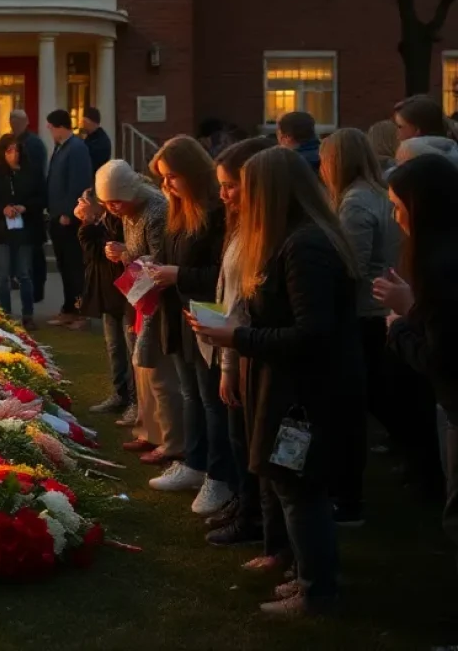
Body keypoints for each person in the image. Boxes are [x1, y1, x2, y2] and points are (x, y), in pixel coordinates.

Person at [191, 146, 359, 617]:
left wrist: (236, 335)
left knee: (298, 486)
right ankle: (306, 573)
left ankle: (317, 590)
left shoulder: (304, 245)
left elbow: (312, 332)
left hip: (304, 391)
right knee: (291, 483)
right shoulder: (292, 238)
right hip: (286, 383)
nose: (237, 200)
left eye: (248, 190)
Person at [374, 155, 458, 576]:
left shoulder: (443, 267)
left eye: (398, 205)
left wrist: (401, 322)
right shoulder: (440, 259)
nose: (395, 216)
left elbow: (438, 357)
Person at [144, 136, 231, 517]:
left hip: (206, 314)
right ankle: (195, 463)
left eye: (172, 177)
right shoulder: (178, 212)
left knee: (212, 399)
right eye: (162, 179)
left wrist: (178, 274)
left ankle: (219, 473)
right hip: (178, 314)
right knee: (191, 394)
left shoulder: (215, 213)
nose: (166, 186)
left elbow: (222, 275)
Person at [320, 127, 400, 525]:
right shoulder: (378, 193)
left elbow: (350, 265)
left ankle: (349, 496)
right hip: (379, 305)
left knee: (358, 402)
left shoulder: (353, 203)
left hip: (364, 311)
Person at [85, 160, 181, 455]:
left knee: (155, 368)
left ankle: (169, 440)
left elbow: (158, 257)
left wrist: (126, 252)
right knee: (140, 365)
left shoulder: (155, 208)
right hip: (139, 294)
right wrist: (123, 254)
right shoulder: (129, 208)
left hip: (158, 296)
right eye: (107, 202)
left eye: (116, 201)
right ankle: (148, 430)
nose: (113, 207)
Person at [207, 137, 274, 550]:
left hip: (242, 346)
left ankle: (254, 516)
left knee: (247, 438)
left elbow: (243, 303)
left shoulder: (261, 231)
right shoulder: (240, 223)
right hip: (229, 339)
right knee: (237, 435)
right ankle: (245, 504)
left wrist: (229, 363)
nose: (223, 194)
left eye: (231, 185)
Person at [76, 161, 133, 411]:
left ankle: (135, 399)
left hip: (126, 291)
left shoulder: (119, 219)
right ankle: (120, 394)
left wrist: (93, 224)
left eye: (83, 201)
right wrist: (87, 223)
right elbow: (90, 253)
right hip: (108, 293)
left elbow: (105, 250)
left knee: (132, 348)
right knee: (114, 346)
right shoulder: (98, 223)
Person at [0, 135, 44, 328]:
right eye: (9, 151)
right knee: (3, 275)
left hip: (24, 230)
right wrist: (3, 209)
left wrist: (25, 207)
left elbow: (41, 197)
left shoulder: (31, 171)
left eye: (16, 150)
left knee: (24, 273)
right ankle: (5, 314)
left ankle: (28, 315)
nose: (14, 154)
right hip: (1, 230)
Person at [45, 109, 94, 328]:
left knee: (75, 265)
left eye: (51, 126)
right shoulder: (60, 148)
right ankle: (68, 308)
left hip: (68, 218)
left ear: (60, 126)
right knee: (64, 265)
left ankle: (81, 311)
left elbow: (78, 181)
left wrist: (68, 211)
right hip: (56, 215)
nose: (49, 131)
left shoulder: (77, 148)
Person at [9, 109, 48, 303]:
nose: (13, 124)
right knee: (20, 250)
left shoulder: (34, 144)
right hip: (16, 213)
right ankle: (22, 281)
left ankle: (37, 289)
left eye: (17, 121)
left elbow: (38, 176)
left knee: (34, 253)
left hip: (31, 212)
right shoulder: (12, 141)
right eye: (12, 121)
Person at [81, 107, 112, 173]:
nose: (83, 125)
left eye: (85, 122)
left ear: (92, 122)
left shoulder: (101, 141)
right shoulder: (89, 138)